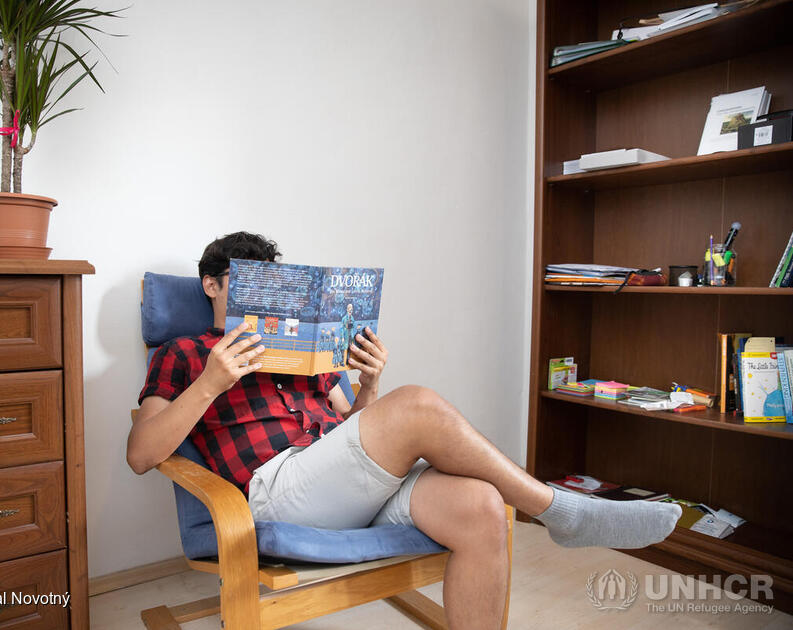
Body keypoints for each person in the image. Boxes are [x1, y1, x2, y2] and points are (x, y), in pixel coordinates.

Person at [127, 231, 681, 629]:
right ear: (211, 286)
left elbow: (354, 431)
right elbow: (141, 454)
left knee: (482, 505)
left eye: (280, 287)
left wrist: (367, 384)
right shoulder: (185, 353)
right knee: (416, 405)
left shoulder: (301, 352)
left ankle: (552, 510)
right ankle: (562, 510)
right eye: (251, 284)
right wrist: (210, 383)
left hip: (343, 484)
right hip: (275, 495)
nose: (271, 298)